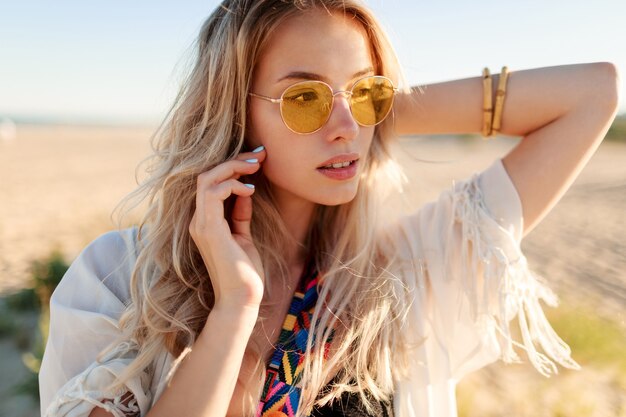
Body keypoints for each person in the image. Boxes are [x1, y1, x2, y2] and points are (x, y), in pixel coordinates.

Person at [38, 1, 620, 416]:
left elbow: (592, 93)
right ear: (233, 111)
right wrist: (235, 311)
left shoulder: (404, 272)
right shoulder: (123, 278)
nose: (345, 128)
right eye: (305, 98)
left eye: (366, 93)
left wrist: (376, 109)